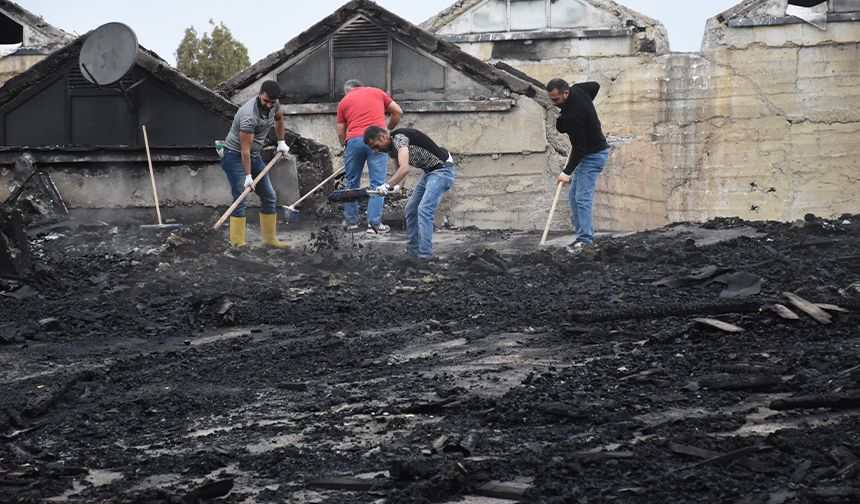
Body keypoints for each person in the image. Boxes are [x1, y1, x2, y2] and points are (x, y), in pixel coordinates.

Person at [364, 126, 455, 260]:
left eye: (376, 146)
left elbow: (405, 169)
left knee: (424, 210)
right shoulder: (392, 149)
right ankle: (412, 252)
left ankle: (425, 256)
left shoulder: (400, 139)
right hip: (430, 172)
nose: (376, 150)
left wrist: (386, 185)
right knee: (411, 209)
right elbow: (400, 170)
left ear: (383, 137)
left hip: (443, 171)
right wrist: (398, 187)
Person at [220, 80, 291, 248]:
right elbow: (244, 150)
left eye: (272, 102)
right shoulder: (248, 116)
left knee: (269, 196)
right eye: (265, 101)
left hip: (253, 154)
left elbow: (279, 120)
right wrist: (248, 176)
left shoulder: (274, 105)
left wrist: (281, 142)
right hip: (234, 155)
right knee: (241, 196)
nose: (268, 105)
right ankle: (238, 244)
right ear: (259, 94)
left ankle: (269, 240)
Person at [546, 78, 609, 255]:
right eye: (551, 99)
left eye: (556, 99)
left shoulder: (573, 116)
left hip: (593, 155)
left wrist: (566, 173)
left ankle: (585, 240)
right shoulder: (579, 89)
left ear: (566, 93)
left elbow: (580, 148)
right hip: (586, 153)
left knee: (582, 198)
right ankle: (583, 236)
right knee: (574, 196)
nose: (553, 103)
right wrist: (589, 110)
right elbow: (595, 85)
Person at [336, 79, 403, 233]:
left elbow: (341, 130)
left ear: (348, 90)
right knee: (378, 183)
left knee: (351, 182)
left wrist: (345, 145)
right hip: (378, 140)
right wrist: (387, 130)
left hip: (354, 141)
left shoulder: (344, 101)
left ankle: (351, 223)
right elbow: (398, 112)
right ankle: (373, 225)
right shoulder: (377, 92)